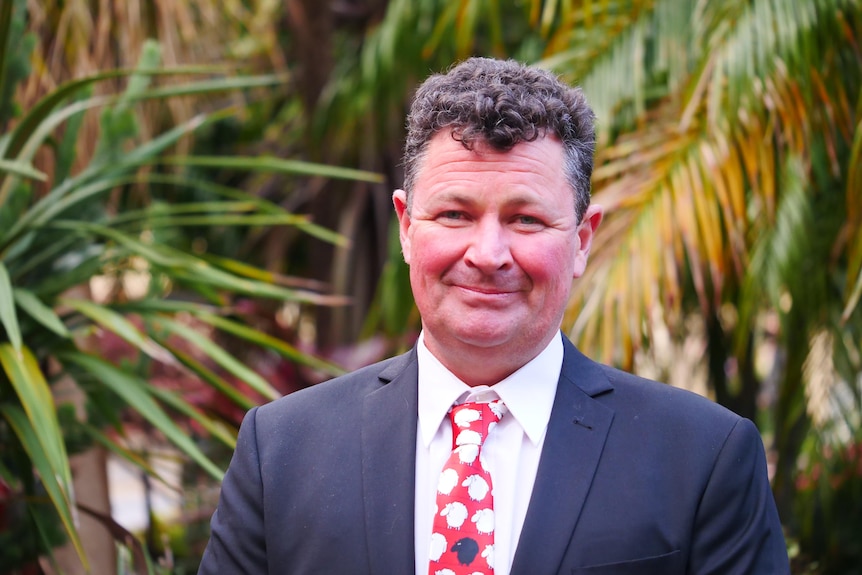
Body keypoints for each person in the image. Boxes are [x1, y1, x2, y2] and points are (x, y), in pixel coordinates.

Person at [198, 57, 789, 575]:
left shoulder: (704, 457)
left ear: (583, 239)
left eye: (526, 219)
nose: (488, 254)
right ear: (406, 227)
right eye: (454, 214)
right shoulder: (281, 451)